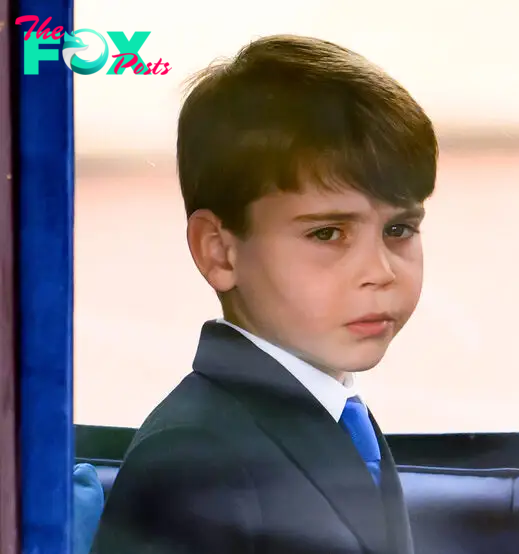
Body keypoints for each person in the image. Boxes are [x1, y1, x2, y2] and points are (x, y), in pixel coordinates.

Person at [89, 34, 437, 554]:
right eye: (327, 233)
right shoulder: (192, 460)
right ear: (220, 253)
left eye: (400, 229)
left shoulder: (335, 414)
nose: (380, 271)